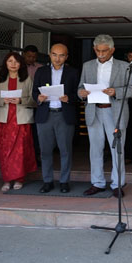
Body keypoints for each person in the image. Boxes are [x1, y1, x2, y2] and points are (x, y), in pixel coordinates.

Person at [78, 34, 132, 197]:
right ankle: (97, 182)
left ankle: (117, 184)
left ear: (112, 50)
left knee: (117, 149)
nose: (101, 54)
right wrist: (81, 93)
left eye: (105, 51)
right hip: (94, 111)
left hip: (115, 111)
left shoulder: (125, 66)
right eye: (98, 51)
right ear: (94, 49)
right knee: (95, 149)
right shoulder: (87, 66)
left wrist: (116, 91)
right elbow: (80, 88)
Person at [32, 43, 79, 193]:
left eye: (61, 55)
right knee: (45, 151)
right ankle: (47, 181)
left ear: (66, 57)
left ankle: (64, 181)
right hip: (45, 114)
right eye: (54, 54)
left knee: (65, 150)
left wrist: (69, 98)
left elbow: (79, 94)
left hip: (63, 114)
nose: (57, 58)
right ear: (50, 55)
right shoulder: (41, 71)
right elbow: (34, 92)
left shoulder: (73, 72)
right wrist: (38, 97)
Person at [0, 52, 38, 192]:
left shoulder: (27, 79)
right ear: (5, 63)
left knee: (20, 151)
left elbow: (34, 100)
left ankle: (19, 179)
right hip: (4, 120)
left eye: (16, 62)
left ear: (21, 64)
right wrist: (2, 100)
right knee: (5, 151)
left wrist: (21, 100)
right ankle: (6, 180)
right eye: (10, 61)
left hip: (21, 120)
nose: (13, 64)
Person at [23, 44, 43, 165]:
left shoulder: (40, 68)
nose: (31, 59)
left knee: (36, 133)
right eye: (29, 56)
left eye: (34, 57)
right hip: (22, 105)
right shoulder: (18, 67)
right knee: (25, 134)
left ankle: (36, 157)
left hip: (36, 104)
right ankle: (24, 157)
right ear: (24, 55)